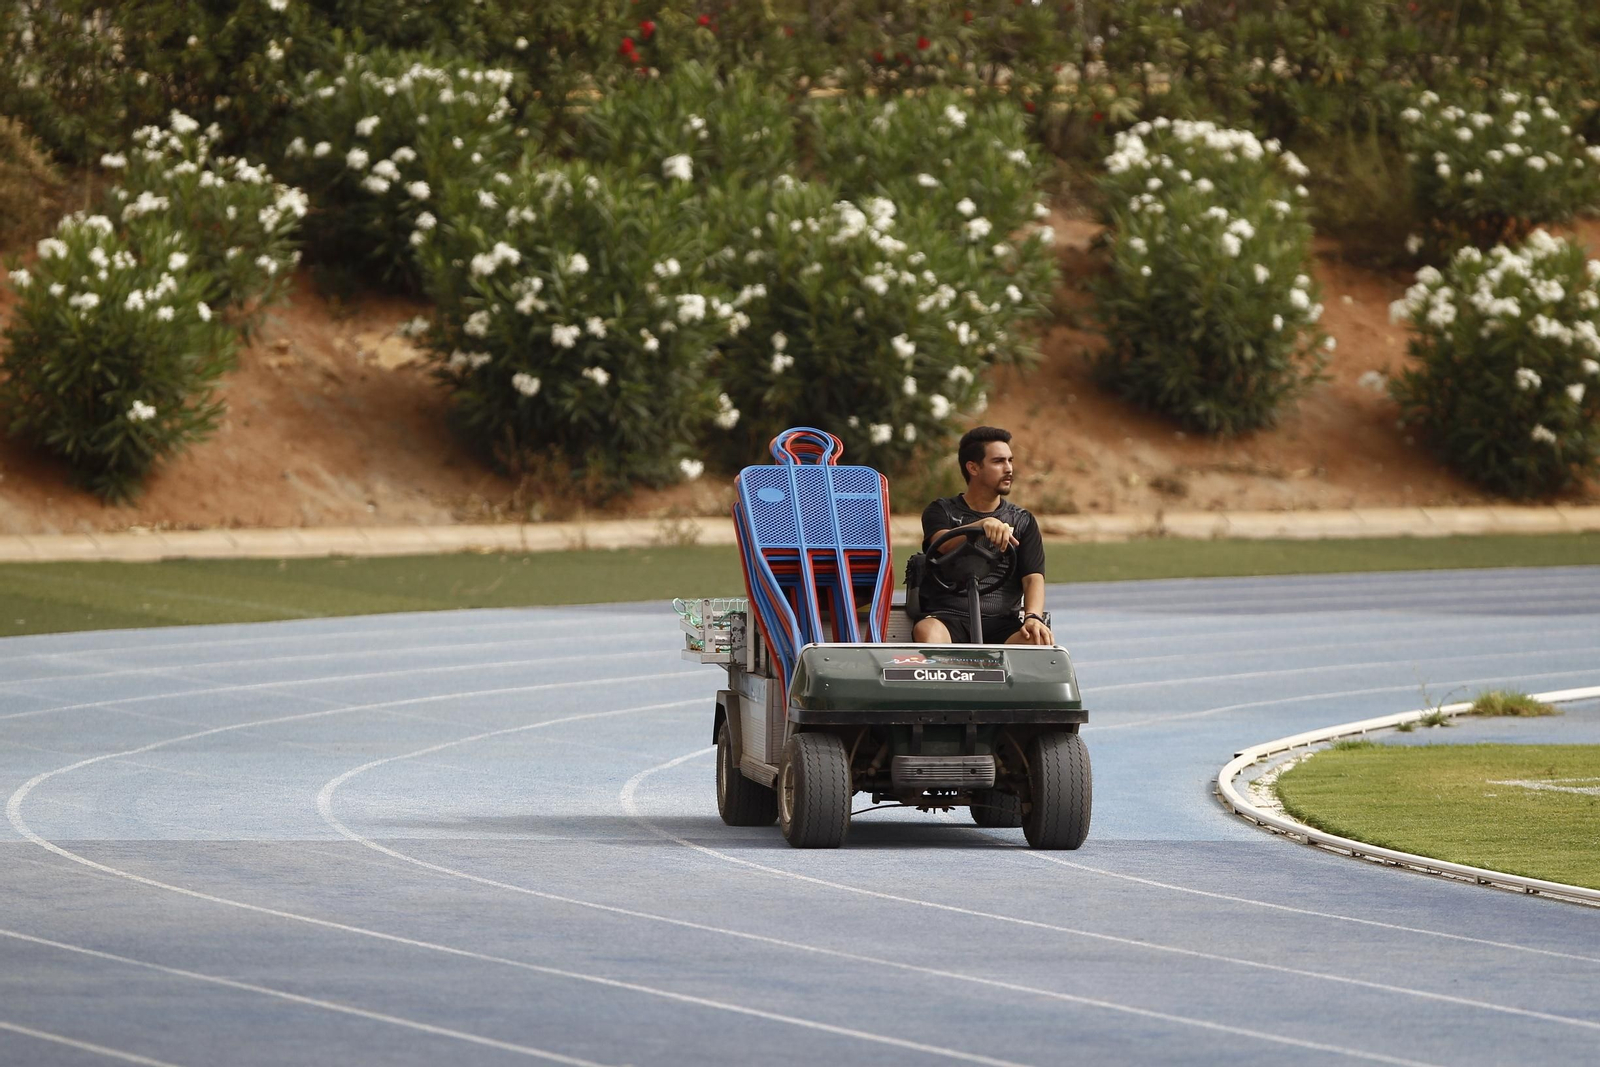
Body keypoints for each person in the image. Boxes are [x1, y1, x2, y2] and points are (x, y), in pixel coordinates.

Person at [912, 426, 1053, 645]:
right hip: (947, 618)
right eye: (998, 461)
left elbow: (1033, 577)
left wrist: (1033, 616)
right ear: (973, 468)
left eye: (1010, 460)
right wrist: (982, 526)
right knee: (926, 631)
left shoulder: (1023, 520)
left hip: (1002, 622)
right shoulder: (941, 510)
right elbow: (942, 545)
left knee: (1037, 639)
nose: (1009, 469)